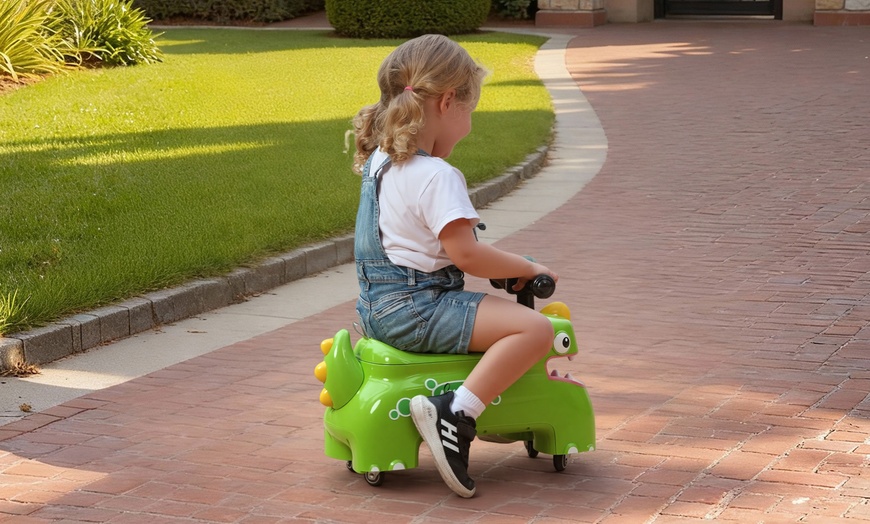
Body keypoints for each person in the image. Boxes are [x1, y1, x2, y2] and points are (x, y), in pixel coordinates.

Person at [351, 34, 558, 498]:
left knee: (504, 317)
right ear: (448, 102)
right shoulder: (439, 175)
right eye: (471, 110)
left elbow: (418, 243)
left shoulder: (382, 162)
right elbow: (467, 255)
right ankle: (456, 413)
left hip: (374, 308)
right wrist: (527, 267)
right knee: (534, 330)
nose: (471, 122)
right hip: (418, 308)